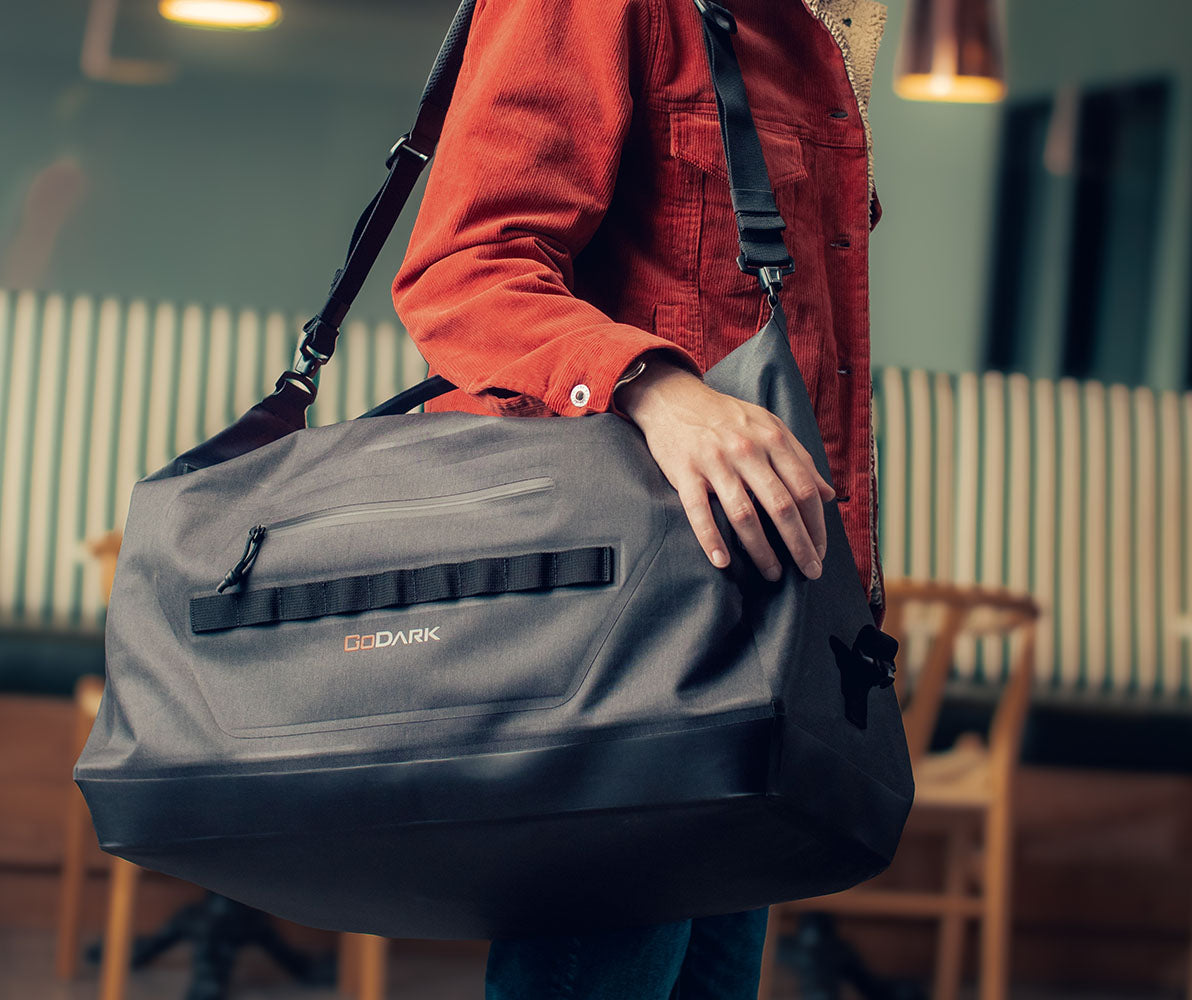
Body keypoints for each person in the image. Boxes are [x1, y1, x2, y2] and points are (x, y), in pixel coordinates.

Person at [392, 0, 889, 994]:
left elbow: (809, 346)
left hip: (759, 629)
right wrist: (659, 388)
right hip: (622, 634)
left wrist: (850, 586)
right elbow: (468, 269)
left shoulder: (825, 38)